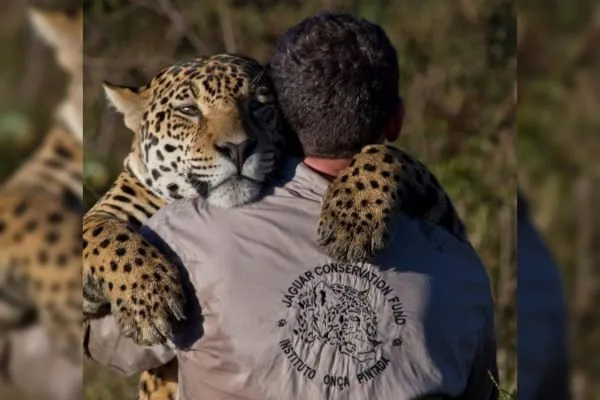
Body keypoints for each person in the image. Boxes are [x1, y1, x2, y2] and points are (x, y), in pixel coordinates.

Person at [86, 12, 498, 400]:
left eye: (256, 108)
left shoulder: (183, 232)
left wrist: (383, 165)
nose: (232, 136)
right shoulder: (460, 265)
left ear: (285, 117)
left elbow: (98, 343)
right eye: (188, 113)